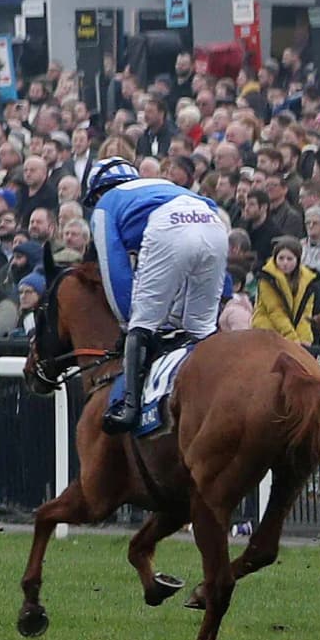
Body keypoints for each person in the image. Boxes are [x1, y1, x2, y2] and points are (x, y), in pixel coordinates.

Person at [82, 157, 228, 433]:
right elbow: (209, 211)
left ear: (97, 191)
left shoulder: (105, 206)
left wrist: (128, 321)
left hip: (168, 228)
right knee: (200, 327)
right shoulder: (163, 186)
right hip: (212, 222)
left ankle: (130, 407)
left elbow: (116, 271)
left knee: (142, 322)